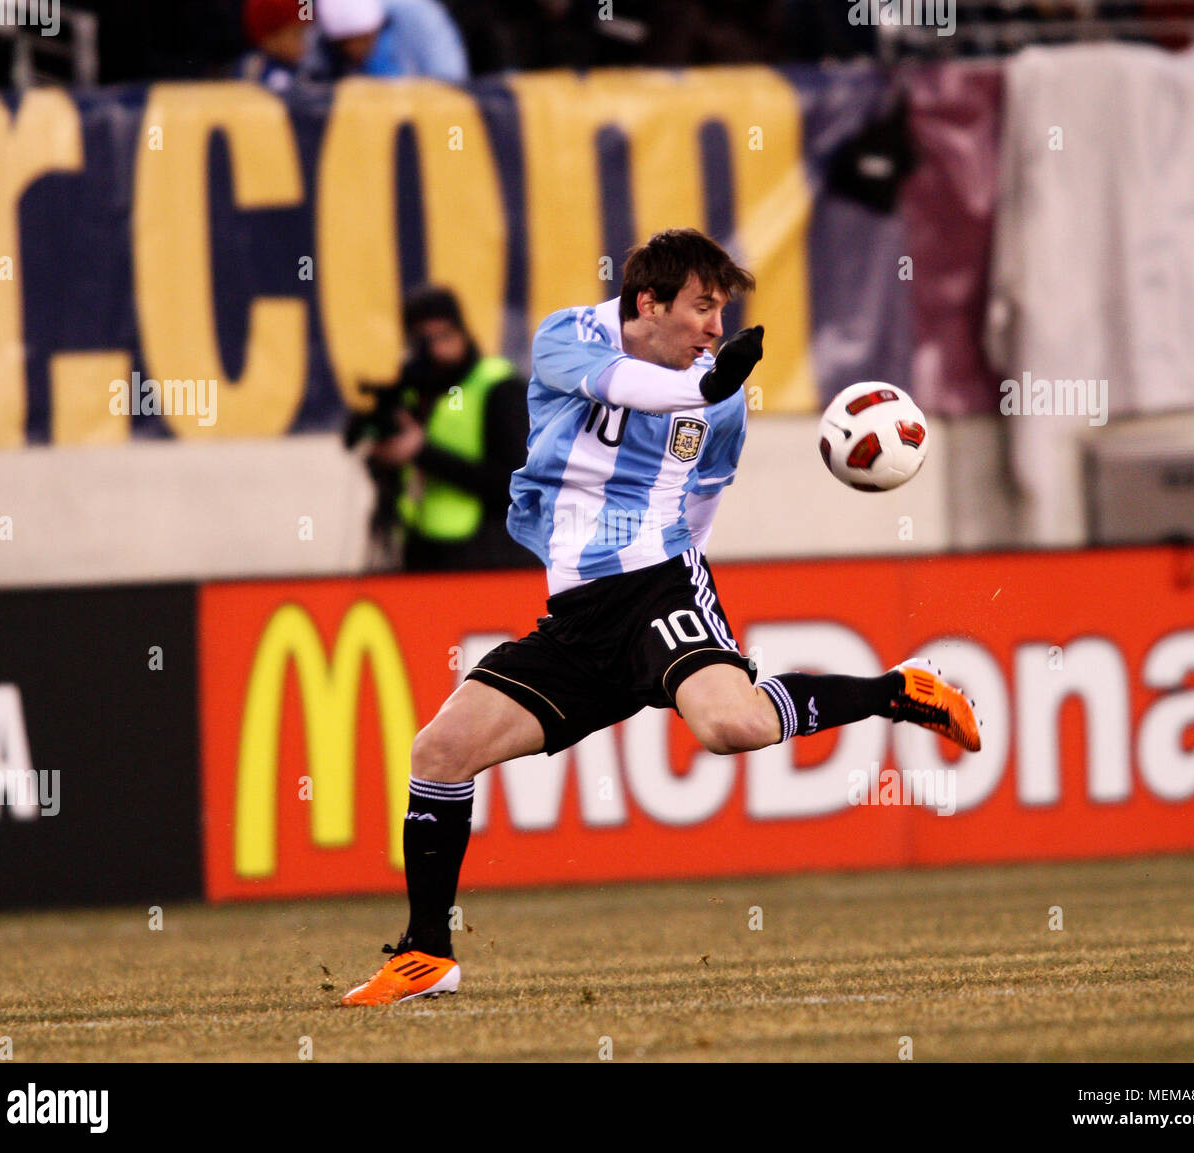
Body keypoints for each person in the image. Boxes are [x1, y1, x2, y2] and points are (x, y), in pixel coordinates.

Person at [340, 228, 981, 1006]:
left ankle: (896, 689)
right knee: (439, 751)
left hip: (659, 586)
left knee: (729, 728)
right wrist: (707, 390)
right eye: (703, 308)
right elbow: (622, 386)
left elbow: (704, 497)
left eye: (723, 311)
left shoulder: (718, 398)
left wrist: (692, 591)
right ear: (648, 302)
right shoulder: (570, 337)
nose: (717, 328)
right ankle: (427, 954)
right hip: (576, 617)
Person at [345, 286, 536, 573]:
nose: (436, 349)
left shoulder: (497, 386)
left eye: (444, 336)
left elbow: (515, 484)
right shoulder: (414, 393)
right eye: (423, 340)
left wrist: (422, 453)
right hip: (422, 552)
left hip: (489, 556)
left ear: (461, 331)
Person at [315, 0, 469, 81]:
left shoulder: (422, 19)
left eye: (362, 40)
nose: (353, 50)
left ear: (375, 28)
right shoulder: (323, 45)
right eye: (343, 43)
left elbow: (451, 83)